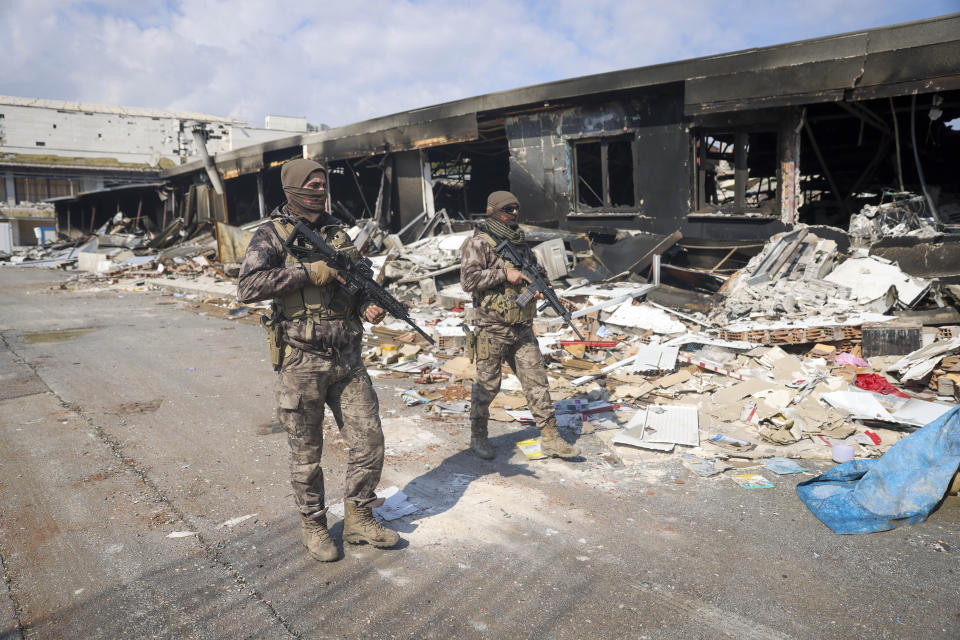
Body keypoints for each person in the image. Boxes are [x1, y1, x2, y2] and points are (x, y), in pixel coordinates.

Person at [237, 158, 399, 562]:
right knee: (306, 453)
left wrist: (367, 305)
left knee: (369, 440)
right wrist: (310, 273)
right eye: (310, 184)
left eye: (322, 183)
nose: (318, 190)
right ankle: (314, 525)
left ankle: (360, 517)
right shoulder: (271, 234)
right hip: (301, 361)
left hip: (347, 359)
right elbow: (249, 286)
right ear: (291, 188)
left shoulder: (336, 231)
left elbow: (354, 282)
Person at [460, 191, 580, 460]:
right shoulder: (478, 243)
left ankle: (550, 438)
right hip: (492, 328)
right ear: (494, 211)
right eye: (508, 209)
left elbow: (536, 272)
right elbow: (468, 281)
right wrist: (505, 274)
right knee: (487, 386)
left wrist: (540, 288)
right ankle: (478, 436)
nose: (514, 213)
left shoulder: (520, 243)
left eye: (516, 208)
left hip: (522, 326)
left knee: (537, 382)